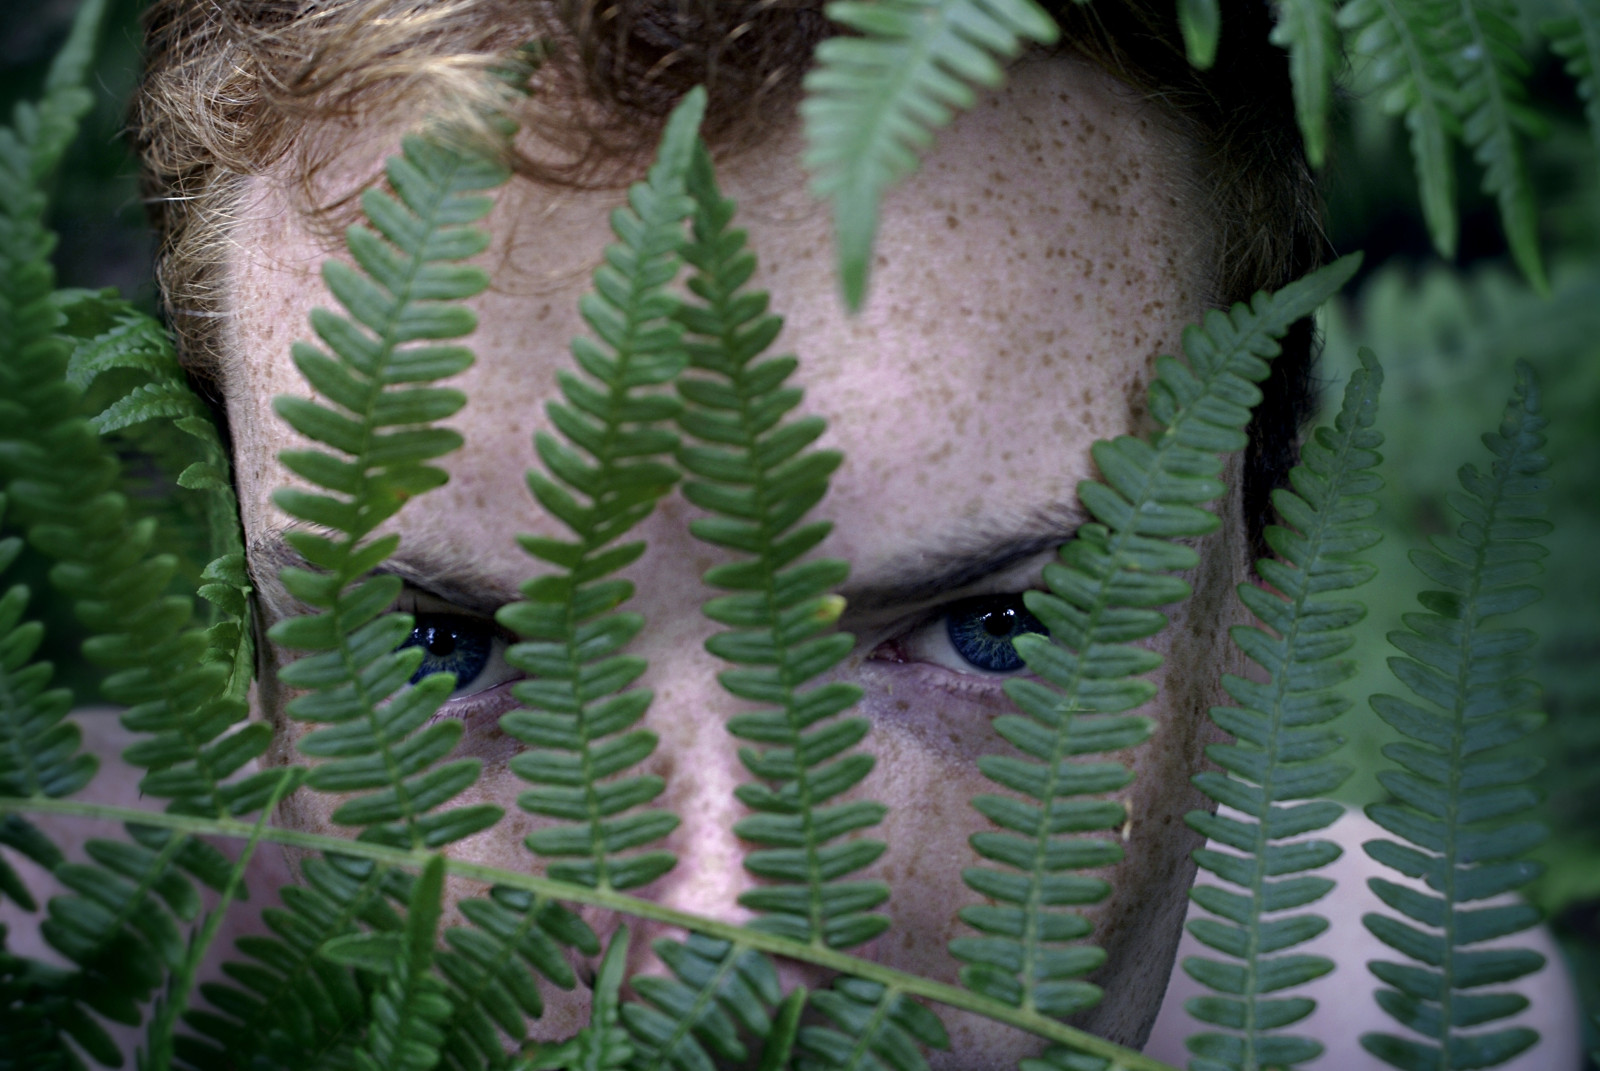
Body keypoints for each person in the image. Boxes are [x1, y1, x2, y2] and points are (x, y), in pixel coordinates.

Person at [121, 1, 1578, 1068]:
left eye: (999, 629)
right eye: (436, 647)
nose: (723, 950)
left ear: (1261, 573)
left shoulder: (1417, 1018)